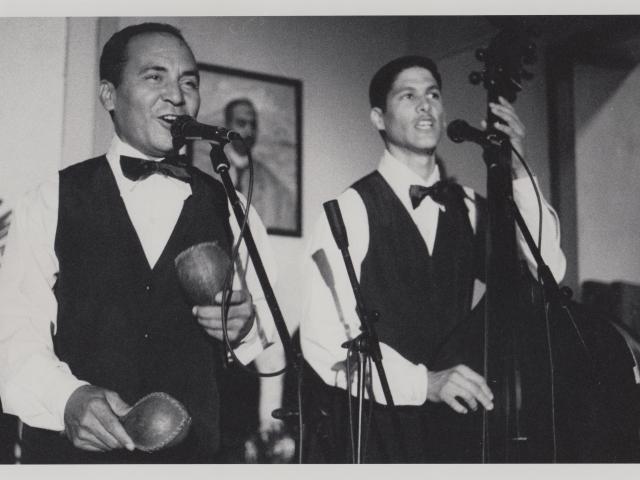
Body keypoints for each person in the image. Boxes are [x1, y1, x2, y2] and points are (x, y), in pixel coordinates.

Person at [0, 22, 278, 464]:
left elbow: (261, 327)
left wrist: (242, 326)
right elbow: (12, 333)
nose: (178, 95)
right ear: (109, 95)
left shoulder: (231, 204)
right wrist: (66, 399)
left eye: (189, 81)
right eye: (155, 77)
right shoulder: (49, 199)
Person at [300, 55, 567, 462]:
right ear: (378, 117)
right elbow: (324, 340)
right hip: (377, 433)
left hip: (457, 430)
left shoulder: (469, 207)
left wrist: (517, 172)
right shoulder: (350, 208)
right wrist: (425, 383)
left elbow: (547, 269)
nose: (426, 105)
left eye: (433, 95)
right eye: (408, 96)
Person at [223, 98, 297, 233]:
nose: (249, 131)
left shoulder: (273, 186)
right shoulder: (209, 172)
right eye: (241, 123)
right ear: (228, 125)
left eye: (253, 125)